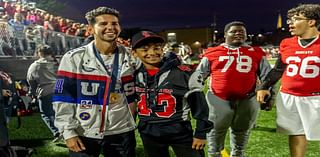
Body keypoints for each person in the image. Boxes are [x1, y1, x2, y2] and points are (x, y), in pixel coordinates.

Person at [53, 7, 136, 157]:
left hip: (122, 131)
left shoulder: (131, 56)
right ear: (91, 29)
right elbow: (63, 97)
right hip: (84, 131)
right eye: (103, 24)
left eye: (114, 23)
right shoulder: (73, 58)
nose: (110, 27)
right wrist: (68, 131)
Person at [195, 21, 272, 157]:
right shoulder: (213, 52)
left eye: (242, 31)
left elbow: (268, 76)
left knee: (241, 134)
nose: (238, 33)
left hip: (247, 99)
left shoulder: (256, 52)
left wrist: (270, 96)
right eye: (234, 31)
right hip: (218, 98)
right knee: (215, 133)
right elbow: (199, 75)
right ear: (225, 35)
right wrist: (194, 95)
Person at [131, 30, 213, 157]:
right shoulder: (132, 75)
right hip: (149, 132)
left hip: (179, 131)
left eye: (156, 48)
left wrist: (200, 134)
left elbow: (200, 106)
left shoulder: (184, 73)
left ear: (162, 49)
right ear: (134, 53)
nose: (152, 53)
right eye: (145, 49)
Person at [256, 4, 320, 157]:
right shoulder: (287, 43)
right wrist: (264, 86)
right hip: (288, 96)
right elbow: (278, 69)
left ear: (311, 22)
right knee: (296, 132)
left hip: (316, 97)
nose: (290, 23)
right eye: (289, 20)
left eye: (296, 19)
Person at [26, 44, 61, 142]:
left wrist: (32, 93)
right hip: (60, 91)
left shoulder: (35, 65)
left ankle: (57, 132)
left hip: (46, 92)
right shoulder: (57, 63)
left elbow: (31, 81)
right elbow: (63, 77)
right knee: (60, 113)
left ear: (39, 53)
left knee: (46, 114)